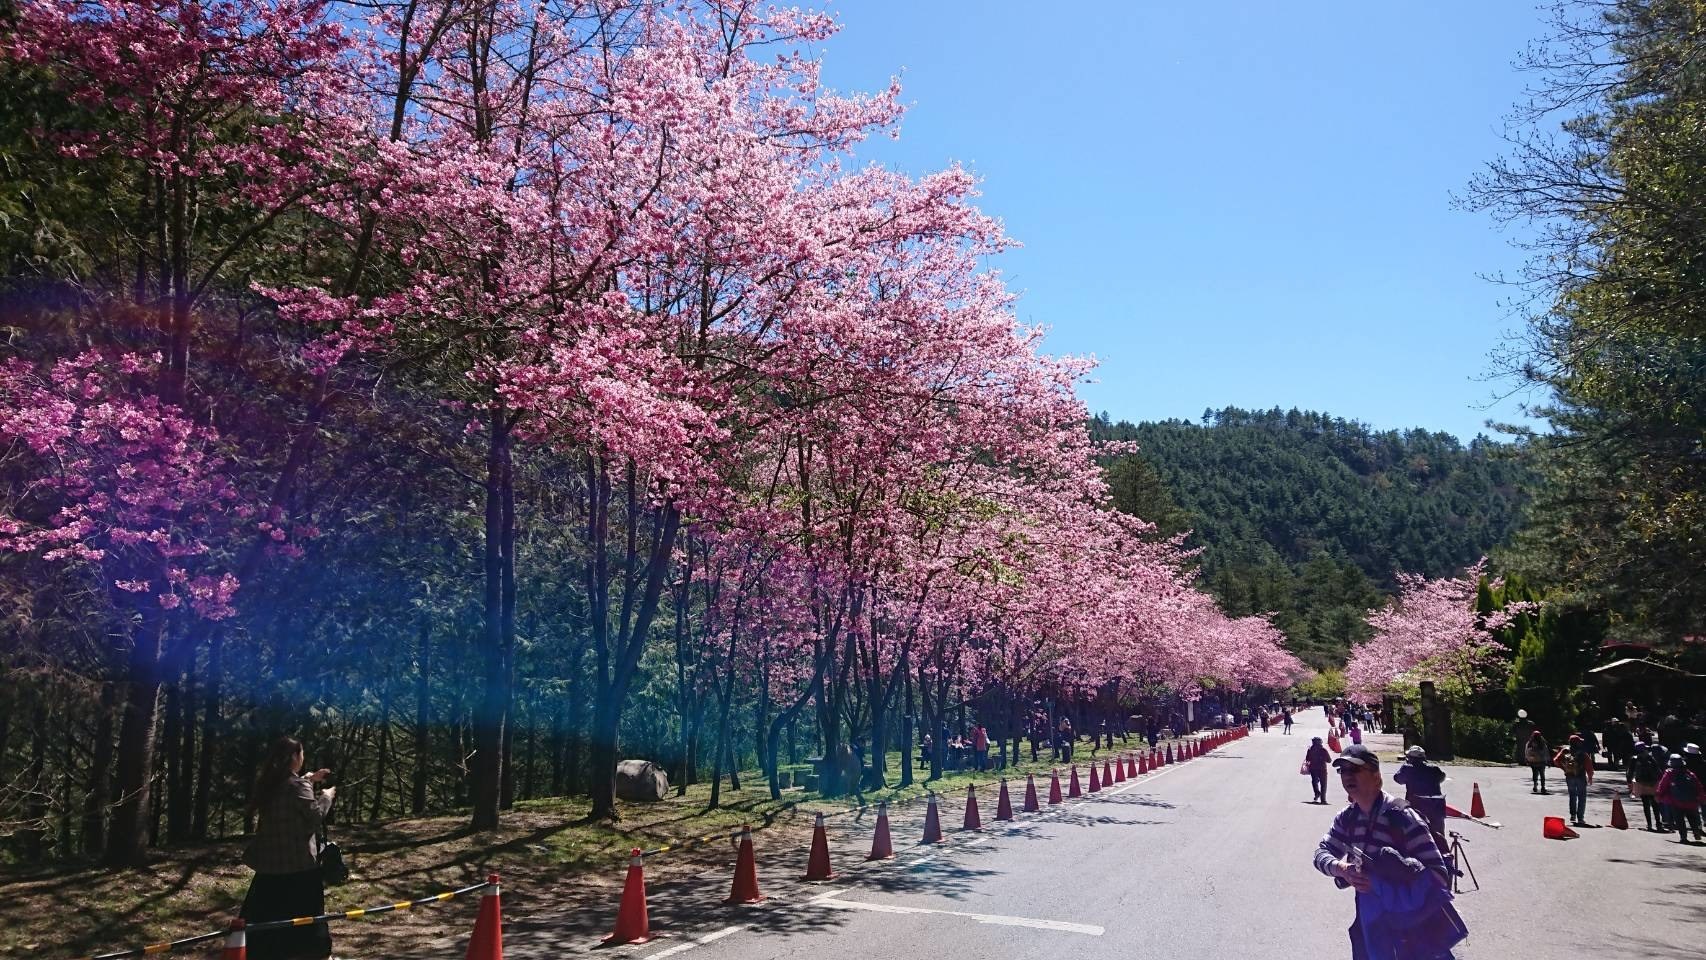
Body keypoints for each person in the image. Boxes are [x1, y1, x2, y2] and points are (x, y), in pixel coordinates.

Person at [1312, 744, 1464, 960]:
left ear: (1376, 776)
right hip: (1372, 925)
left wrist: (1390, 879)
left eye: (1354, 769)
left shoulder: (1402, 817)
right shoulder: (1347, 818)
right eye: (1342, 771)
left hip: (1413, 926)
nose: (1347, 776)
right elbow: (1321, 853)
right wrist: (1341, 869)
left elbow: (1439, 874)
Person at [242, 736, 336, 960]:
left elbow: (290, 791)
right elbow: (313, 818)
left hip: (270, 868)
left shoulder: (270, 783)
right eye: (301, 754)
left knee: (269, 921)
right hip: (299, 866)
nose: (303, 758)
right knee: (308, 921)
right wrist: (326, 797)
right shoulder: (297, 785)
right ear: (295, 756)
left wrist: (309, 779)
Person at [1393, 746, 1449, 856]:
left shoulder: (1408, 768)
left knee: (1414, 834)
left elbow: (1398, 779)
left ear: (1410, 757)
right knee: (1439, 835)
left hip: (1417, 805)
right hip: (1436, 805)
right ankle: (1445, 859)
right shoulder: (1433, 768)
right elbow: (1442, 777)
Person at [1656, 754, 1704, 845]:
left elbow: (1662, 786)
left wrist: (1659, 796)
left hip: (1676, 802)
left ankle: (1683, 837)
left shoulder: (1669, 773)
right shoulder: (1690, 774)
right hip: (1691, 801)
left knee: (1680, 820)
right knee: (1692, 818)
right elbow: (1699, 787)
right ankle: (1695, 830)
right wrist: (1701, 798)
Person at [1554, 734, 1594, 826]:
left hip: (1569, 776)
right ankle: (1580, 818)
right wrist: (1590, 777)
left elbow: (1556, 760)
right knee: (1582, 797)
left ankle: (1573, 815)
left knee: (1572, 796)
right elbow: (1589, 766)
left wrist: (1564, 768)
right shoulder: (1583, 753)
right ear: (1577, 742)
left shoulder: (1565, 750)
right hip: (1580, 776)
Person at [1626, 736, 1664, 831]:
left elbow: (1629, 773)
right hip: (1653, 783)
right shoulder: (1650, 757)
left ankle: (1649, 824)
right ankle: (1658, 824)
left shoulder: (1634, 759)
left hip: (1641, 783)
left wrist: (1629, 783)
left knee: (1645, 804)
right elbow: (1658, 771)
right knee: (1655, 804)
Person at [1305, 736, 1332, 804]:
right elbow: (1329, 760)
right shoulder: (1323, 750)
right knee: (1323, 784)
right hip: (1322, 769)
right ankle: (1323, 800)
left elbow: (1307, 759)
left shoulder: (1310, 750)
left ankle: (1317, 793)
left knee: (1314, 782)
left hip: (1313, 768)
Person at [1523, 730, 1550, 794]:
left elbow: (1526, 751)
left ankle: (1535, 785)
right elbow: (1546, 752)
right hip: (1541, 761)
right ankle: (1543, 787)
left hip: (1533, 761)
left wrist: (1527, 759)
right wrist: (1548, 760)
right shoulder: (1542, 743)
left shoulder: (1529, 743)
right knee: (1542, 774)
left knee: (1535, 773)